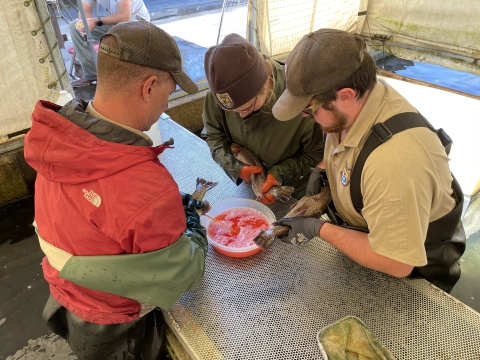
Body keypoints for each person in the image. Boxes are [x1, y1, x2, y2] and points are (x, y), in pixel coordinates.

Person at [24, 21, 206, 359]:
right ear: (149, 87)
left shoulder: (53, 140)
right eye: (167, 94)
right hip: (120, 328)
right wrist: (193, 224)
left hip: (68, 301)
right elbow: (183, 273)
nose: (166, 105)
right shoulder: (147, 187)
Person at [272, 28, 466, 293]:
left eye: (310, 108)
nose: (305, 117)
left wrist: (318, 229)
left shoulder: (394, 163)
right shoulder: (361, 98)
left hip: (411, 279)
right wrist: (325, 173)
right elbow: (347, 147)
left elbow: (397, 263)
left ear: (346, 96)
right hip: (367, 233)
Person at [202, 33, 324, 203]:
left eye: (247, 108)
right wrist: (236, 168)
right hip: (250, 185)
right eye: (232, 111)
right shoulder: (222, 94)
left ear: (266, 83)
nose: (242, 116)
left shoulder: (301, 99)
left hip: (292, 190)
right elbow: (213, 135)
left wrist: (280, 173)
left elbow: (314, 155)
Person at [69, 0, 150, 87]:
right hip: (117, 23)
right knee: (74, 27)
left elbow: (125, 16)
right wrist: (83, 24)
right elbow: (84, 10)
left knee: (121, 27)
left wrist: (96, 21)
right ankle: (92, 74)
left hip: (138, 22)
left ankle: (127, 76)